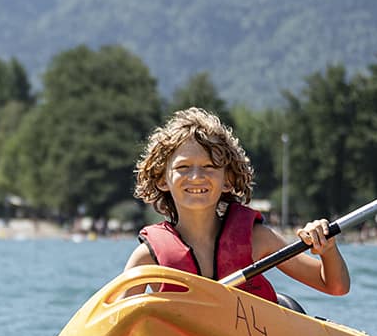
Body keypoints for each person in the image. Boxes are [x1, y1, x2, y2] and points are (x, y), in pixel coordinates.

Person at [126, 109, 350, 301]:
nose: (196, 176)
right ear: (162, 180)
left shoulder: (257, 239)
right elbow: (113, 324)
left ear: (228, 180)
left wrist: (327, 250)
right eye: (183, 167)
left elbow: (334, 286)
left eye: (210, 166)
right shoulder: (147, 258)